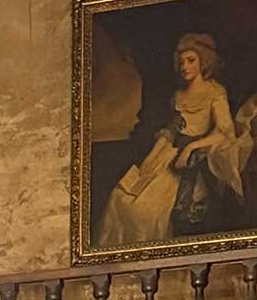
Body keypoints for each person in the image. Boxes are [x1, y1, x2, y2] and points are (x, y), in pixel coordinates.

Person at [97, 34, 249, 250]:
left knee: (147, 212)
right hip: (168, 154)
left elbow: (224, 133)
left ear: (203, 61)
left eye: (191, 60)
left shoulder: (215, 92)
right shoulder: (179, 95)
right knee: (119, 198)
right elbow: (172, 131)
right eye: (181, 62)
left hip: (193, 162)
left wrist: (191, 148)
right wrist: (149, 162)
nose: (184, 66)